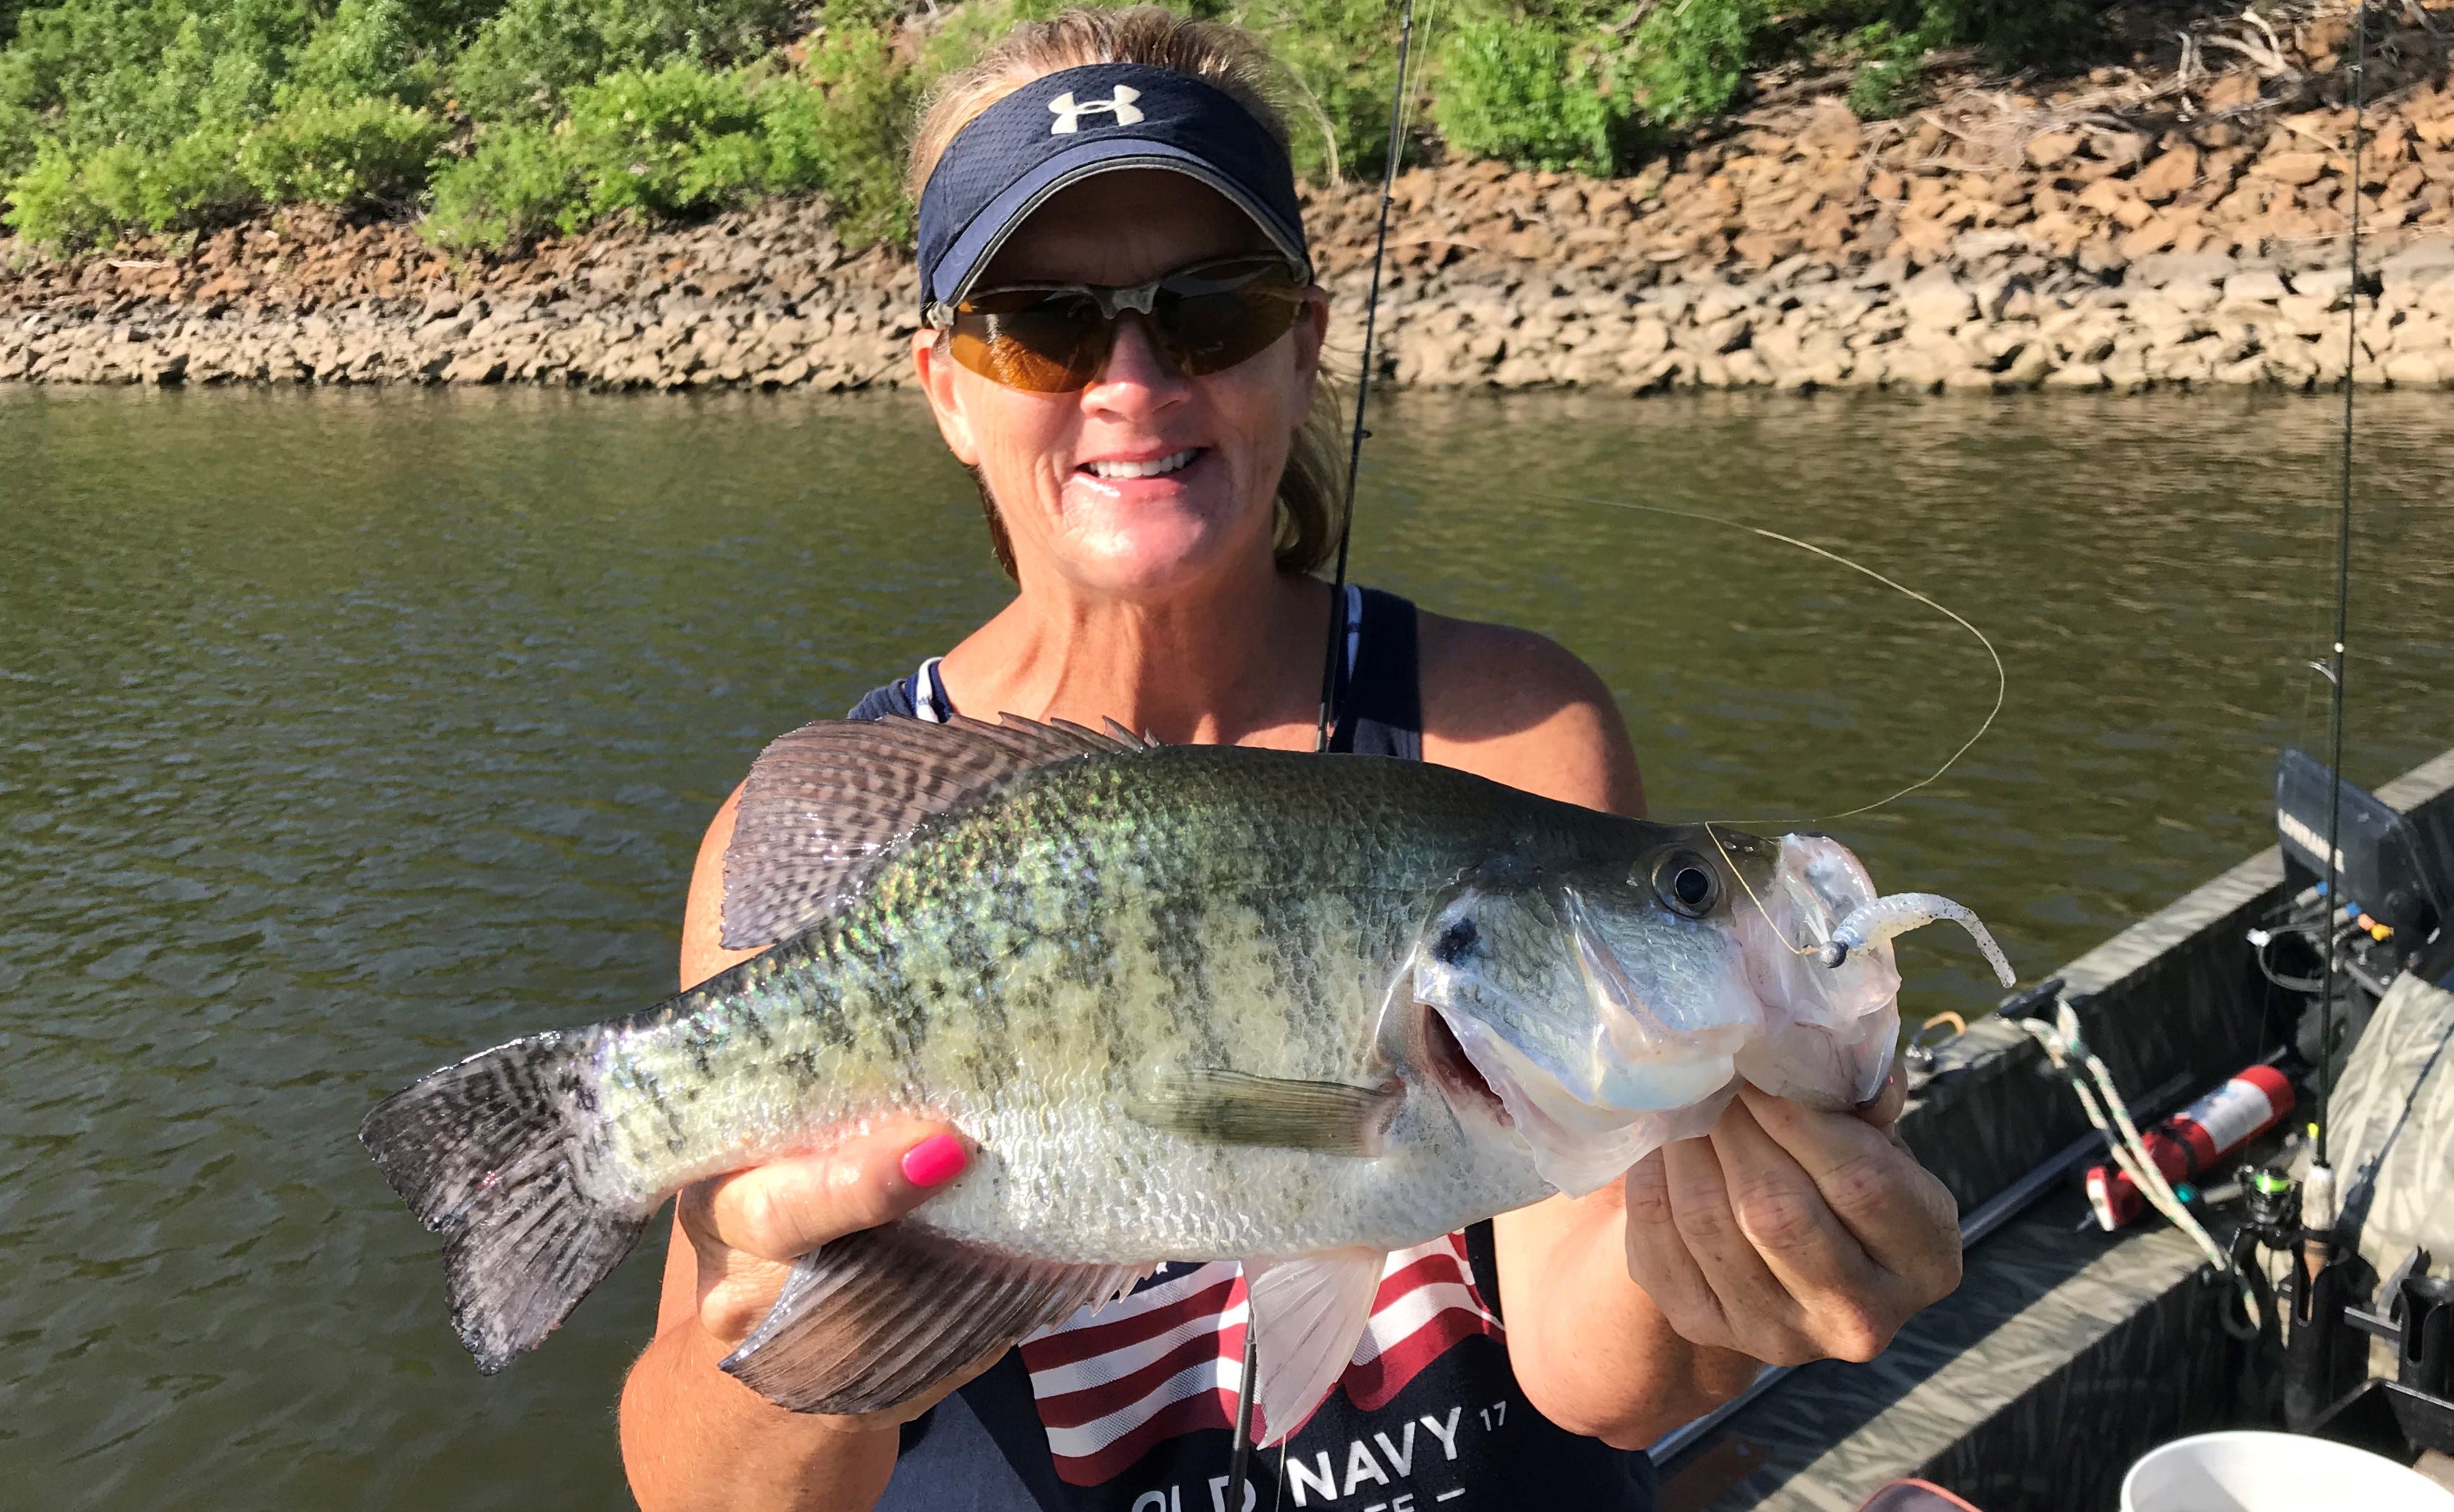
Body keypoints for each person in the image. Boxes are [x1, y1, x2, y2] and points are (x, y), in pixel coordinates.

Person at [618, 9, 1962, 1508]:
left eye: (1208, 308)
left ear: (1304, 342)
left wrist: (1736, 1267)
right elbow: (707, 1491)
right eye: (1043, 321)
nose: (1130, 379)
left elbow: (1590, 1362)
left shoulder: (1504, 728)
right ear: (944, 384)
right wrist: (774, 1332)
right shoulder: (816, 837)